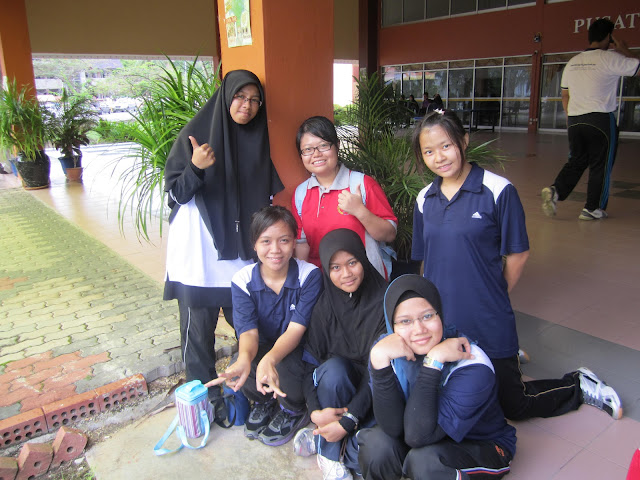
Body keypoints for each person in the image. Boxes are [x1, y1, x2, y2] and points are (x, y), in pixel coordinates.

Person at [411, 109, 623, 421]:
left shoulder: (497, 190)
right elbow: (424, 259)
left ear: (464, 141)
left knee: (515, 406)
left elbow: (518, 253)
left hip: (488, 316)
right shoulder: (423, 199)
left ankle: (579, 385)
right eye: (429, 151)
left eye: (446, 146)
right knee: (457, 392)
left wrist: (496, 293)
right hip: (444, 319)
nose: (439, 157)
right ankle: (507, 359)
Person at [164, 69, 283, 400]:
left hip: (239, 253)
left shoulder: (256, 142)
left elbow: (265, 199)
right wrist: (196, 167)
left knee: (250, 324)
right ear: (226, 97)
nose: (247, 105)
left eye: (255, 100)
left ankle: (258, 394)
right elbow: (175, 196)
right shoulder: (195, 136)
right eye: (240, 97)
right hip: (199, 252)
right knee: (197, 333)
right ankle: (204, 401)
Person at [358, 274, 516, 480]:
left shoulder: (473, 365)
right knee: (377, 445)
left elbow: (417, 437)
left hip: (479, 442)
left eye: (427, 316)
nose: (419, 329)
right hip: (419, 428)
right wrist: (378, 361)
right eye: (405, 321)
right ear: (392, 325)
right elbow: (393, 427)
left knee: (425, 462)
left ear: (440, 314)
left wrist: (434, 362)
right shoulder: (387, 350)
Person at [207, 206, 323, 446]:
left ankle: (293, 409)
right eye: (266, 241)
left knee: (283, 365)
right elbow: (248, 332)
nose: (275, 250)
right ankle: (264, 401)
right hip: (263, 344)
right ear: (254, 244)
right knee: (241, 362)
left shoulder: (309, 276)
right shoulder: (242, 279)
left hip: (299, 350)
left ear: (294, 242)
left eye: (284, 240)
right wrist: (244, 359)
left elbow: (296, 330)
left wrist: (270, 359)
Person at [293, 229, 387, 480]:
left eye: (352, 262)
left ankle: (325, 440)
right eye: (335, 267)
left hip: (375, 391)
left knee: (375, 455)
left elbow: (380, 372)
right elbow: (309, 366)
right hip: (336, 393)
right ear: (326, 269)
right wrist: (314, 411)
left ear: (363, 259)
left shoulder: (385, 301)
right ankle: (330, 454)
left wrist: (350, 419)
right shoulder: (324, 306)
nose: (346, 274)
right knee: (334, 371)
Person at [541, 18, 640, 221]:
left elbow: (565, 95)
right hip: (600, 120)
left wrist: (570, 118)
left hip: (575, 120)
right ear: (609, 37)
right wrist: (624, 50)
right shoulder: (610, 58)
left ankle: (555, 191)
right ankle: (592, 208)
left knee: (576, 161)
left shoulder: (572, 62)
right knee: (600, 164)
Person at [292, 116, 397, 280]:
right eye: (308, 149)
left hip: (365, 282)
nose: (316, 154)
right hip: (322, 283)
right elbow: (302, 244)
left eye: (323, 145)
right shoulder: (301, 194)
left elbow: (389, 234)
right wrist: (304, 282)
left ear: (337, 145)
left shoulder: (362, 184)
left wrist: (360, 211)